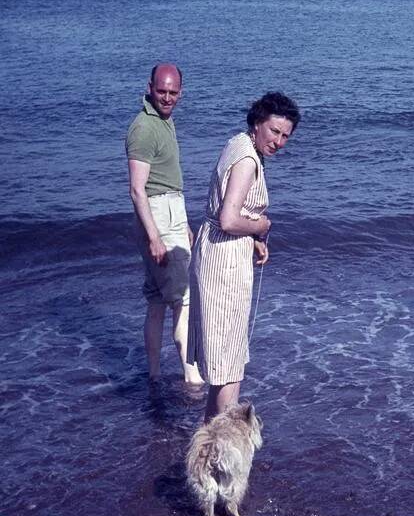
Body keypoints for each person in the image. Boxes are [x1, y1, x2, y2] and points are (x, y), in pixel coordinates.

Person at [187, 92, 300, 422]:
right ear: (257, 123)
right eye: (274, 131)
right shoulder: (248, 160)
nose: (279, 142)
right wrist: (261, 225)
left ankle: (209, 447)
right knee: (228, 366)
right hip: (223, 262)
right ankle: (218, 455)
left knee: (223, 362)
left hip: (217, 251)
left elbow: (226, 216)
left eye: (285, 136)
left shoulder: (238, 144)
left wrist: (251, 238)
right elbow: (228, 218)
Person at [126, 63, 203, 384]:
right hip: (157, 218)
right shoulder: (144, 128)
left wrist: (182, 221)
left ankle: (154, 376)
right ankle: (193, 379)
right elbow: (137, 189)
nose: (167, 98)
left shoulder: (163, 121)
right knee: (183, 301)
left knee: (157, 301)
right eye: (161, 91)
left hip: (169, 214)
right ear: (149, 87)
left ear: (180, 92)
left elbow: (168, 181)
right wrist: (155, 236)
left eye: (173, 92)